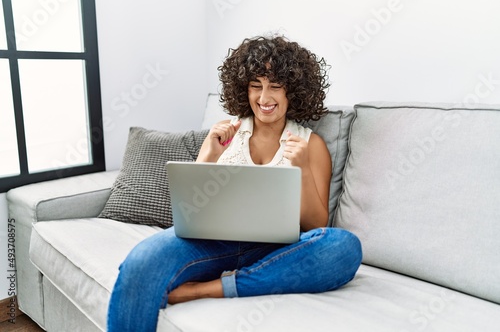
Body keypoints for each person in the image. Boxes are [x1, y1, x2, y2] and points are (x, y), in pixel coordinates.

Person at [107, 35, 362, 332]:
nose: (264, 98)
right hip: (212, 244)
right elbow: (190, 209)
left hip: (277, 251)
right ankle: (228, 279)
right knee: (140, 263)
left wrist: (302, 169)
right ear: (244, 87)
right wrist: (210, 153)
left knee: (344, 247)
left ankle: (209, 288)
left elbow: (317, 226)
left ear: (293, 90)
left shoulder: (310, 144)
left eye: (275, 86)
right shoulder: (226, 134)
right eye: (256, 85)